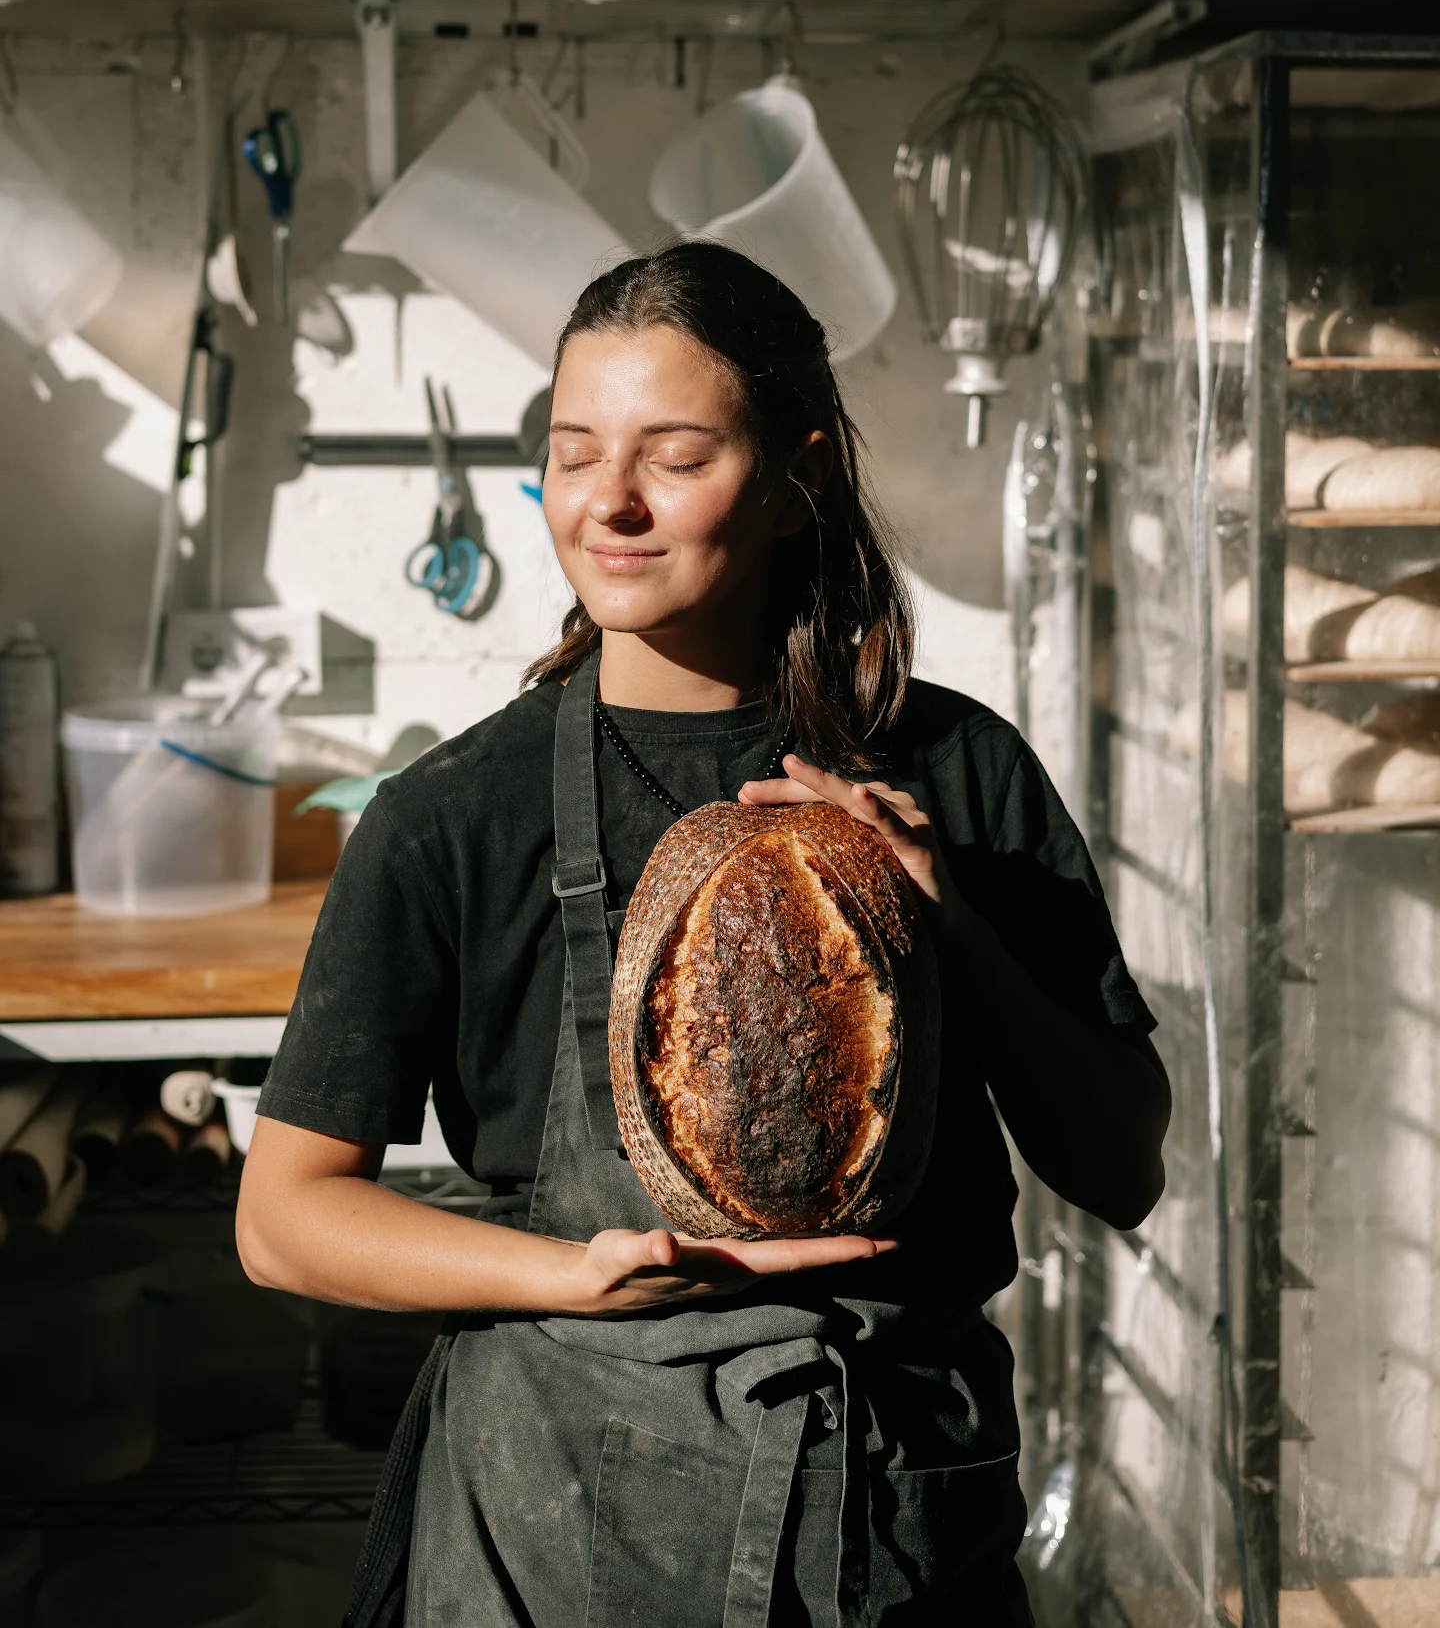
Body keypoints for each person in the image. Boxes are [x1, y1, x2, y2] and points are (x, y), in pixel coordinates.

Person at [237, 241, 1169, 1628]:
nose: (609, 500)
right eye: (573, 453)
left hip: (894, 1520)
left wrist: (950, 926)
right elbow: (285, 1217)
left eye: (673, 456)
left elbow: (1122, 1165)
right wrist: (575, 1274)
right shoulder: (454, 814)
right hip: (562, 1533)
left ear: (798, 478)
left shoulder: (959, 772)